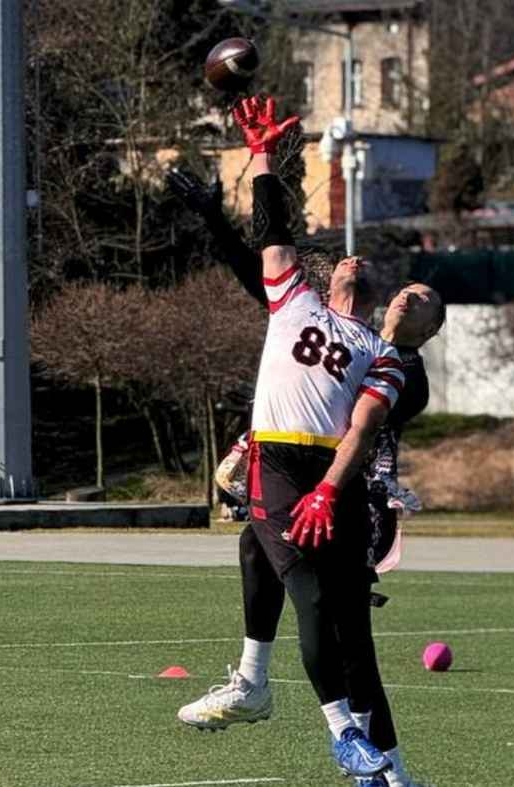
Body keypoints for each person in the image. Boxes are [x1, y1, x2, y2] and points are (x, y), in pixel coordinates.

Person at [169, 106, 444, 787]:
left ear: (425, 325)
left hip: (353, 504)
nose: (411, 290)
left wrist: (319, 480)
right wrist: (247, 174)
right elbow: (268, 249)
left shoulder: (397, 366)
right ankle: (368, 761)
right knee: (279, 572)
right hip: (298, 481)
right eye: (407, 283)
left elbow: (357, 423)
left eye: (425, 295)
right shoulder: (307, 311)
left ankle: (278, 698)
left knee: (354, 651)